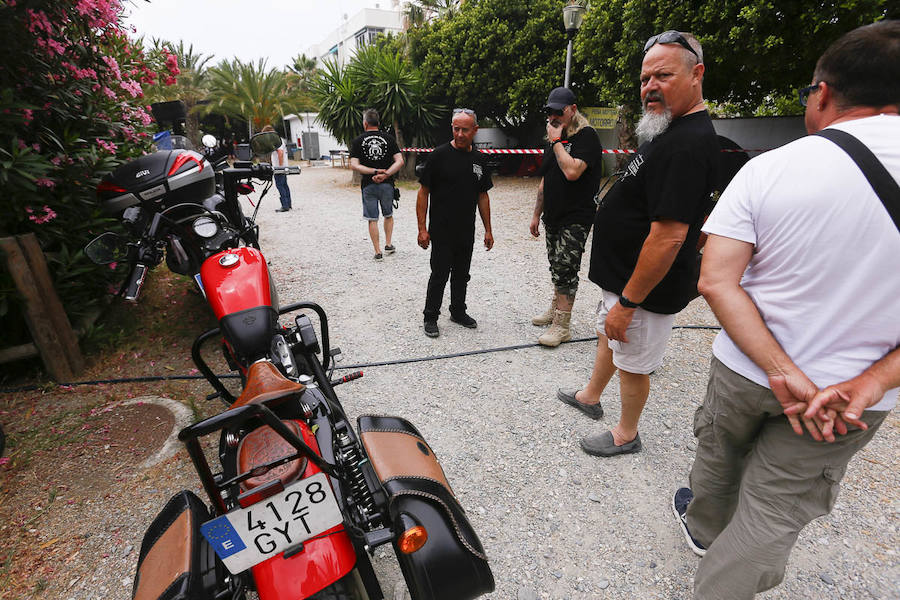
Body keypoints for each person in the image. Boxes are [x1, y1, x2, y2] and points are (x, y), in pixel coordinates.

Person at [671, 21, 900, 599]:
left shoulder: (773, 167)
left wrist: (781, 369)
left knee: (718, 456)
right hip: (842, 401)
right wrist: (870, 385)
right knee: (772, 513)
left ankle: (702, 530)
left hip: (747, 370)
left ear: (822, 92)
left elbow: (717, 279)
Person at [557, 31, 719, 456]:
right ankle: (591, 396)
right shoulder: (667, 129)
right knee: (607, 336)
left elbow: (670, 235)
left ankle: (626, 434)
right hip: (623, 279)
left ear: (696, 74)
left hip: (643, 291)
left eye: (663, 75)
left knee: (631, 361)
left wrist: (629, 304)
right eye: (646, 78)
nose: (650, 86)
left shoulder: (689, 141)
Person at [530, 87, 603, 347]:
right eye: (550, 111)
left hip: (576, 215)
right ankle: (555, 309)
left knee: (566, 267)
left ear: (572, 110)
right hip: (553, 214)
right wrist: (536, 214)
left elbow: (573, 172)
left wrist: (558, 143)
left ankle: (562, 325)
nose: (553, 116)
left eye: (559, 111)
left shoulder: (587, 137)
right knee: (556, 265)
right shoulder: (554, 140)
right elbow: (546, 179)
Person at [416, 108, 493, 338]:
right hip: (441, 229)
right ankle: (430, 317)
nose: (459, 134)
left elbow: (483, 196)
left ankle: (458, 311)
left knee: (462, 274)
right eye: (456, 128)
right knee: (439, 274)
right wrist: (422, 229)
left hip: (465, 230)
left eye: (465, 129)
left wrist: (488, 230)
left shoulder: (479, 160)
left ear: (475, 130)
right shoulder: (438, 156)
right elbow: (423, 193)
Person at [349, 109, 404, 260]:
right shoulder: (389, 139)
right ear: (378, 123)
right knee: (388, 215)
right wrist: (386, 173)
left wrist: (373, 171)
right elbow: (400, 161)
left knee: (372, 218)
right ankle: (388, 244)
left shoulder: (358, 141)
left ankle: (377, 251)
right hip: (387, 184)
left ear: (365, 123)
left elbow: (354, 165)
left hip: (368, 184)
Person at [262, 125, 291, 212]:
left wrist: (279, 166)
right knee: (285, 185)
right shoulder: (279, 139)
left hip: (279, 167)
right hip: (283, 166)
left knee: (280, 185)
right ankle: (288, 204)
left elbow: (280, 152)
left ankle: (285, 205)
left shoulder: (276, 140)